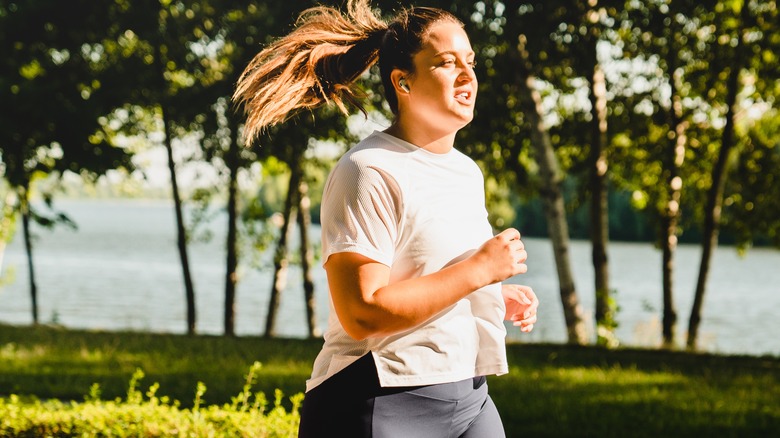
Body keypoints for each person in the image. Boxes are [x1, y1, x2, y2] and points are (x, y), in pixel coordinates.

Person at [233, 1, 539, 436]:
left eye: (470, 61)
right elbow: (362, 312)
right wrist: (478, 271)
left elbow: (427, 275)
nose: (467, 75)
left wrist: (489, 293)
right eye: (446, 63)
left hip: (469, 393)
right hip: (381, 396)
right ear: (402, 82)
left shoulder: (466, 171)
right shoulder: (368, 170)